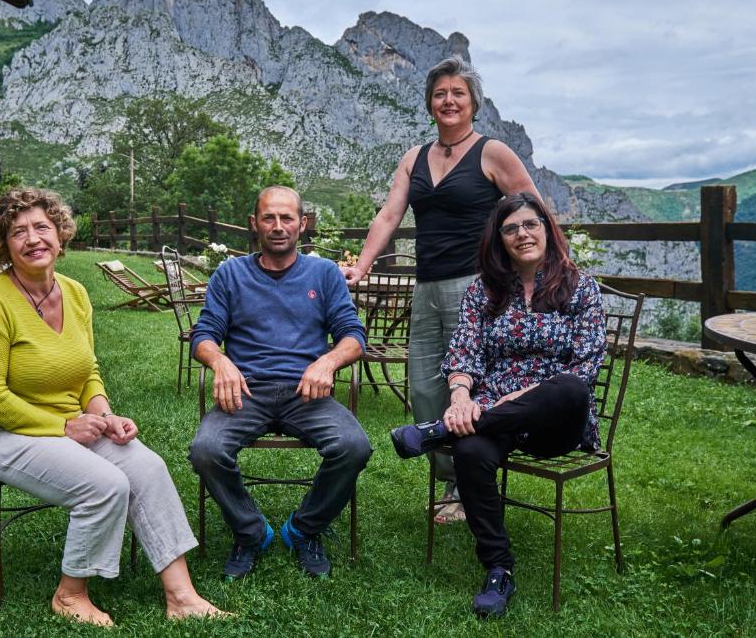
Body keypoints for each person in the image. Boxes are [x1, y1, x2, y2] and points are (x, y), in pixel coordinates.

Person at [0, 188, 225, 627]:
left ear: (60, 236)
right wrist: (66, 426)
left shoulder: (75, 294)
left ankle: (182, 596)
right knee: (105, 484)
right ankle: (70, 594)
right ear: (3, 246)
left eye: (42, 227)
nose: (33, 239)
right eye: (18, 232)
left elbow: (88, 372)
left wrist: (103, 415)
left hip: (69, 424)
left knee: (149, 467)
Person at [341, 55, 541, 525]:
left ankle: (466, 486)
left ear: (473, 103)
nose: (448, 101)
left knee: (471, 386)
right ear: (430, 104)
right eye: (439, 94)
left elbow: (531, 211)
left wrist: (551, 270)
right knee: (425, 388)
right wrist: (362, 267)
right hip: (426, 286)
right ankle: (455, 476)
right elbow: (389, 215)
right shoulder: (414, 158)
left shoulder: (493, 153)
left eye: (458, 93)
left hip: (479, 286)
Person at [390, 192, 607, 617]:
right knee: (470, 451)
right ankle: (498, 568)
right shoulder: (483, 290)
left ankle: (439, 433)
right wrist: (458, 397)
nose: (522, 234)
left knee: (569, 389)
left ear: (546, 229)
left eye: (530, 224)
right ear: (499, 238)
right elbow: (464, 351)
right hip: (492, 416)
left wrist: (519, 397)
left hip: (554, 419)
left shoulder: (580, 287)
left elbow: (586, 365)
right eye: (511, 229)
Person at [188, 186, 372, 580]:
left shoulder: (323, 274)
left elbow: (354, 336)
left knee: (354, 446)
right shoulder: (230, 274)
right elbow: (203, 334)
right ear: (254, 224)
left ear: (302, 225)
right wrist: (219, 361)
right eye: (268, 218)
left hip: (307, 391)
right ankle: (251, 533)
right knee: (206, 450)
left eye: (286, 218)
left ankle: (304, 529)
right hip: (246, 391)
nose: (277, 226)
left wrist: (328, 361)